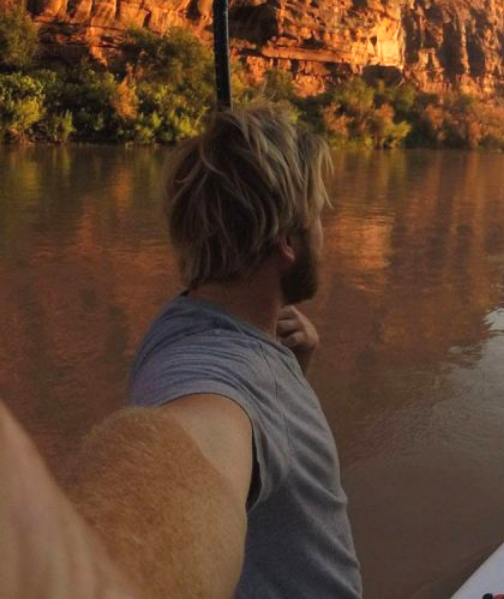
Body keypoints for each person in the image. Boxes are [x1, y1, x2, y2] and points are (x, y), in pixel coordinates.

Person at [0, 104, 362, 598]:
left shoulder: (181, 325)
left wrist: (294, 370)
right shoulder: (229, 378)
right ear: (286, 242)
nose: (325, 229)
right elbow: (199, 447)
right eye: (319, 216)